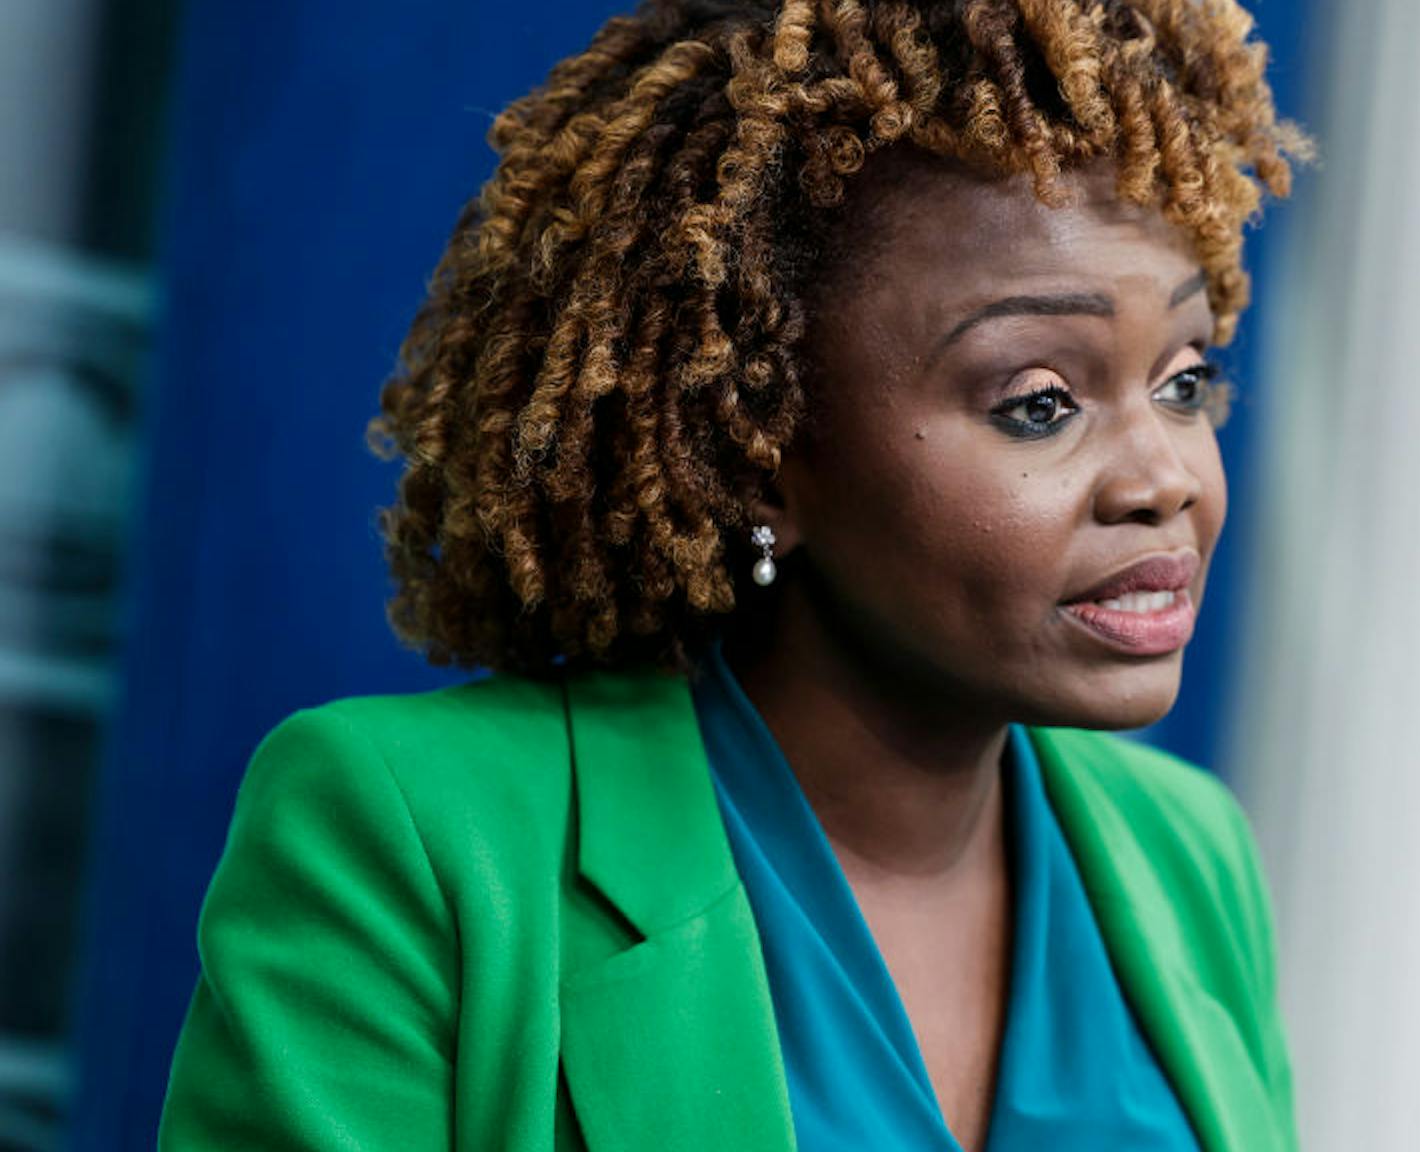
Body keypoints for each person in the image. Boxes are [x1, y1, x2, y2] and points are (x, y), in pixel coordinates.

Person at [159, 0, 1306, 1147]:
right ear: (758, 457)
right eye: (1038, 404)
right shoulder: (407, 838)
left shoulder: (1187, 857)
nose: (1163, 477)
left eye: (1183, 381)